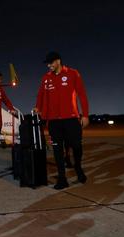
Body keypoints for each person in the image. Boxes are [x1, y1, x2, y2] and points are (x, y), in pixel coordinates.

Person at [35, 51, 89, 190]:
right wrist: (38, 108)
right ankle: (62, 178)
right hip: (54, 120)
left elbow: (82, 95)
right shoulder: (46, 78)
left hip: (71, 118)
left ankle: (78, 167)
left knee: (76, 145)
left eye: (51, 63)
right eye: (47, 63)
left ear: (58, 61)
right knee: (57, 149)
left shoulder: (72, 73)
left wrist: (85, 115)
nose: (49, 66)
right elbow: (41, 95)